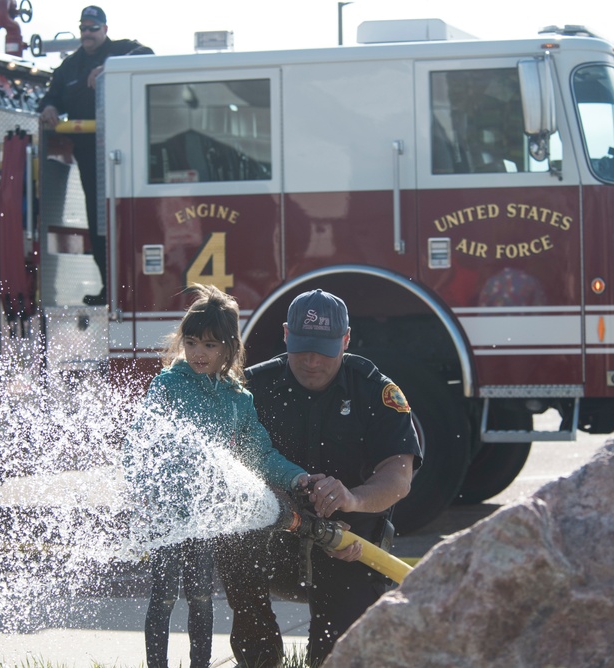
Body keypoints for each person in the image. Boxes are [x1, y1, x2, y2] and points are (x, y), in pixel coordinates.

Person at [218, 289, 421, 667]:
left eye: (324, 350)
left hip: (349, 547)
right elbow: (226, 469)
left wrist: (353, 500)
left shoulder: (375, 391)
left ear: (346, 340)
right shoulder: (252, 389)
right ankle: (260, 652)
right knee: (229, 537)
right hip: (276, 540)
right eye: (302, 348)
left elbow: (399, 476)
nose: (311, 361)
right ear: (284, 335)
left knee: (336, 657)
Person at [136, 284, 310, 668]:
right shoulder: (167, 386)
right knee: (163, 597)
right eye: (193, 342)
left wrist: (297, 478)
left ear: (229, 349)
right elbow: (140, 442)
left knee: (200, 596)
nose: (199, 353)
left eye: (211, 346)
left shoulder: (237, 399)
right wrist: (144, 492)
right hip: (166, 512)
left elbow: (260, 454)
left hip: (204, 516)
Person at [38, 5, 153, 306]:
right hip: (90, 157)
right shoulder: (70, 67)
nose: (87, 33)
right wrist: (49, 107)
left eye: (93, 28)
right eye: (83, 28)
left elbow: (149, 54)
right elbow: (51, 96)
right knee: (98, 225)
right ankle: (109, 287)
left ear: (104, 29)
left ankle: (139, 286)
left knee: (130, 218)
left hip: (128, 153)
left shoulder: (122, 50)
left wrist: (111, 67)